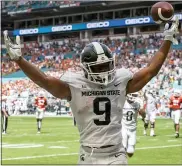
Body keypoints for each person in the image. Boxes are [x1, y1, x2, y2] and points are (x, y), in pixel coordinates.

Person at [3, 18, 179, 165]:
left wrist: (168, 39)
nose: (103, 70)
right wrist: (19, 60)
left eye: (106, 65)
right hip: (88, 155)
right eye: (98, 67)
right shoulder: (74, 84)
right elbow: (44, 80)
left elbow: (150, 71)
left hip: (116, 154)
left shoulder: (120, 79)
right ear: (86, 69)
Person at [121, 92, 146, 157]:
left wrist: (142, 107)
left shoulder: (137, 104)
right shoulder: (122, 102)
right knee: (122, 150)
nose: (135, 97)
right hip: (123, 127)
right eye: (134, 95)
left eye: (135, 95)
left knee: (130, 152)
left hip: (133, 129)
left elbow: (143, 114)